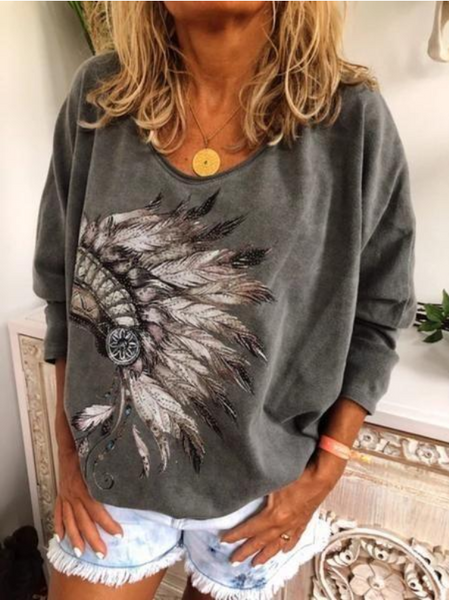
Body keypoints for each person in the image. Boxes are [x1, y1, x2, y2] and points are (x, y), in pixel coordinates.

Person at [32, 2, 417, 599]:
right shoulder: (101, 96)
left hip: (260, 494)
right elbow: (63, 287)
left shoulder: (350, 117)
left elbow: (381, 308)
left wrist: (324, 474)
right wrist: (68, 456)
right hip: (109, 477)